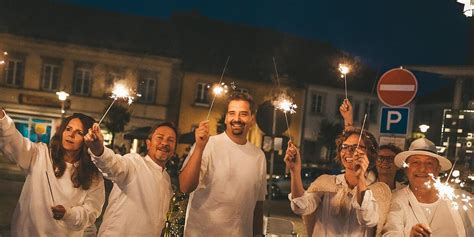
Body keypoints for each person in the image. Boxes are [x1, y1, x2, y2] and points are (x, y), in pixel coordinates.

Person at [0, 110, 105, 236]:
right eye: (68, 129)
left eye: (79, 133)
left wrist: (68, 214)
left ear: (87, 139)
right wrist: (3, 119)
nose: (71, 135)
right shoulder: (40, 154)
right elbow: (14, 142)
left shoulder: (93, 175)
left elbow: (91, 212)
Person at [179, 92, 267, 237]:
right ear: (226, 118)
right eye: (232, 113)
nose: (237, 119)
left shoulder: (259, 156)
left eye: (243, 114)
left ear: (252, 119)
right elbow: (185, 187)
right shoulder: (208, 144)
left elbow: (258, 205)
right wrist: (200, 147)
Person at [285, 127, 391, 237]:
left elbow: (368, 219)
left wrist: (360, 178)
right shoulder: (325, 182)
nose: (349, 152)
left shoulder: (379, 190)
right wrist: (295, 171)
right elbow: (301, 207)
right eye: (345, 147)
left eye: (356, 147)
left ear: (369, 154)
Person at [84, 121, 177, 236]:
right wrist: (98, 149)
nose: (164, 143)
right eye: (160, 138)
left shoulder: (166, 179)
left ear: (174, 148)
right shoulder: (135, 163)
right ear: (148, 143)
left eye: (170, 140)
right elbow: (113, 165)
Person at [382, 138, 474, 237]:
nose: (422, 169)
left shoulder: (460, 199)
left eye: (429, 163)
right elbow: (391, 231)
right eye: (415, 162)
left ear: (438, 169)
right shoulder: (396, 200)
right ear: (406, 169)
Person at [340, 99, 405, 191]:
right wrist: (348, 119)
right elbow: (352, 141)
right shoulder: (365, 184)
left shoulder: (403, 190)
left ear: (398, 164)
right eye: (380, 158)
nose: (385, 162)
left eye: (390, 159)